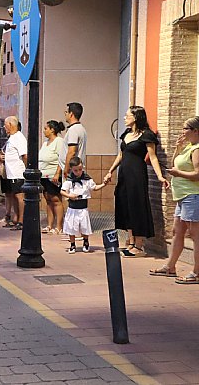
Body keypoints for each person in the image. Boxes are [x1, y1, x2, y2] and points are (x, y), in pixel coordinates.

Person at [104, 106, 169, 257]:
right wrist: (110, 171)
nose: (125, 118)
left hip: (137, 175)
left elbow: (152, 157)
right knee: (126, 206)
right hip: (124, 175)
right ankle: (131, 241)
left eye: (128, 116)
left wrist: (159, 176)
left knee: (137, 206)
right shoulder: (126, 133)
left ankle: (139, 246)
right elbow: (121, 155)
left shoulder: (146, 135)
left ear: (136, 117)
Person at [149, 117, 199, 282]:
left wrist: (178, 174)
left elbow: (197, 174)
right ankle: (170, 267)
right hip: (182, 196)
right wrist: (178, 149)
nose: (183, 131)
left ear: (195, 131)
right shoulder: (188, 147)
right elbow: (175, 165)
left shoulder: (197, 149)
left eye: (186, 128)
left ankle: (197, 272)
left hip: (192, 196)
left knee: (195, 235)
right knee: (177, 232)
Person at [61, 156, 105, 254]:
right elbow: (62, 191)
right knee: (71, 226)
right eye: (76, 170)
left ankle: (86, 242)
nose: (78, 172)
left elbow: (94, 187)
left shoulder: (87, 179)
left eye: (80, 170)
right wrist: (70, 196)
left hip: (83, 207)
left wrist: (103, 184)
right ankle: (72, 245)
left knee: (84, 226)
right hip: (72, 207)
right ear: (71, 169)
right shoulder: (69, 180)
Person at [39, 120, 65, 234]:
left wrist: (57, 173)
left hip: (53, 175)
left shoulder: (59, 141)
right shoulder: (45, 143)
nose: (44, 130)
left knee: (55, 199)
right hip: (43, 175)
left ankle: (59, 226)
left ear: (52, 130)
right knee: (48, 199)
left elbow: (61, 159)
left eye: (46, 128)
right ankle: (49, 225)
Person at [2, 116, 27, 231]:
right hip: (11, 173)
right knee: (13, 195)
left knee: (19, 196)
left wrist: (27, 171)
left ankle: (22, 220)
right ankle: (16, 218)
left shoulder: (19, 137)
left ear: (11, 125)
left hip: (18, 172)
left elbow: (24, 155)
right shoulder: (11, 138)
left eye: (5, 124)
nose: (3, 127)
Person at [59, 102, 87, 177]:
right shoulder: (81, 128)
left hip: (72, 171)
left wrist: (66, 169)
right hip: (76, 169)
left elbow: (72, 151)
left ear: (71, 114)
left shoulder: (73, 130)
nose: (65, 114)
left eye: (66, 112)